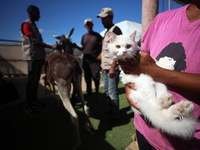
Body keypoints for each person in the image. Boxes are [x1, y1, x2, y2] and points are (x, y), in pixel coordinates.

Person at [118, 1, 200, 149]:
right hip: (144, 129)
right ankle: (167, 112)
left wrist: (156, 72)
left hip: (189, 143)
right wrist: (128, 86)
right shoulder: (161, 19)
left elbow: (149, 70)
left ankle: (168, 112)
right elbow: (141, 61)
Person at [21, 5, 57, 115]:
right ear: (32, 13)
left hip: (38, 57)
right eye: (38, 13)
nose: (39, 16)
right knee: (31, 81)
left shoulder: (34, 26)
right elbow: (34, 41)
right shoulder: (26, 25)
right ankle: (29, 106)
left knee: (36, 80)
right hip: (32, 57)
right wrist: (51, 47)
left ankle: (34, 101)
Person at [96, 8, 122, 120]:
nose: (102, 21)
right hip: (106, 67)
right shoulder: (107, 31)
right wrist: (103, 67)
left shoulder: (116, 30)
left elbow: (119, 50)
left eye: (104, 18)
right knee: (107, 91)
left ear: (111, 17)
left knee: (112, 93)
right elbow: (106, 51)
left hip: (112, 68)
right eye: (101, 18)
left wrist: (112, 67)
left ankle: (115, 116)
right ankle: (111, 109)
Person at [73, 18, 102, 99]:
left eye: (90, 24)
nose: (88, 25)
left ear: (92, 25)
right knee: (87, 78)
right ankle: (89, 94)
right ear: (85, 26)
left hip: (94, 61)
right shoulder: (84, 36)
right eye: (87, 24)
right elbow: (83, 48)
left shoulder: (97, 36)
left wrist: (100, 56)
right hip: (85, 60)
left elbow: (103, 47)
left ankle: (96, 94)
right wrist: (76, 47)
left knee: (96, 78)